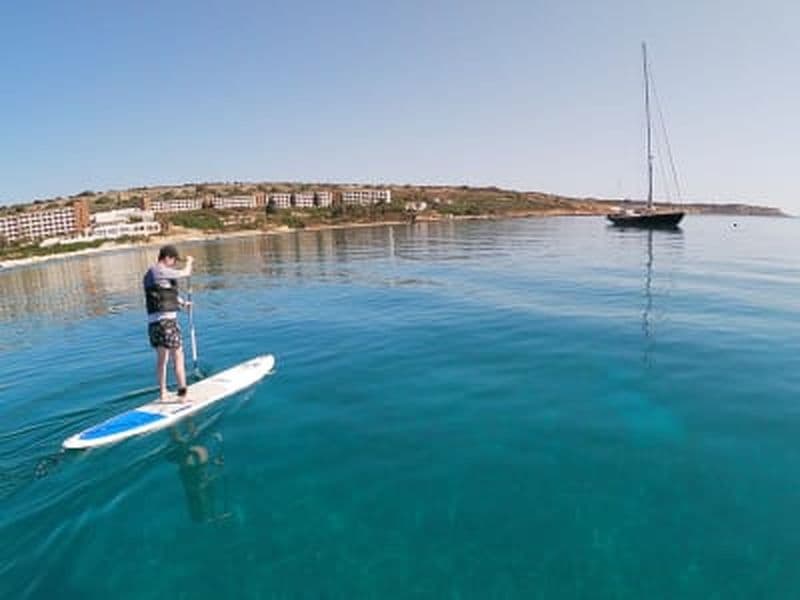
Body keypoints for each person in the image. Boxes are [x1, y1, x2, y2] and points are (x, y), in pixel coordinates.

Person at [143, 244, 194, 401]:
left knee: (162, 360)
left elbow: (165, 294)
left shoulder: (150, 275)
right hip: (167, 324)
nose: (174, 264)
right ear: (167, 258)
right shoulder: (160, 269)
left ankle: (163, 393)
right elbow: (185, 273)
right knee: (178, 357)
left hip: (154, 325)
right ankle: (183, 394)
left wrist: (183, 303)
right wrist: (190, 262)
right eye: (173, 260)